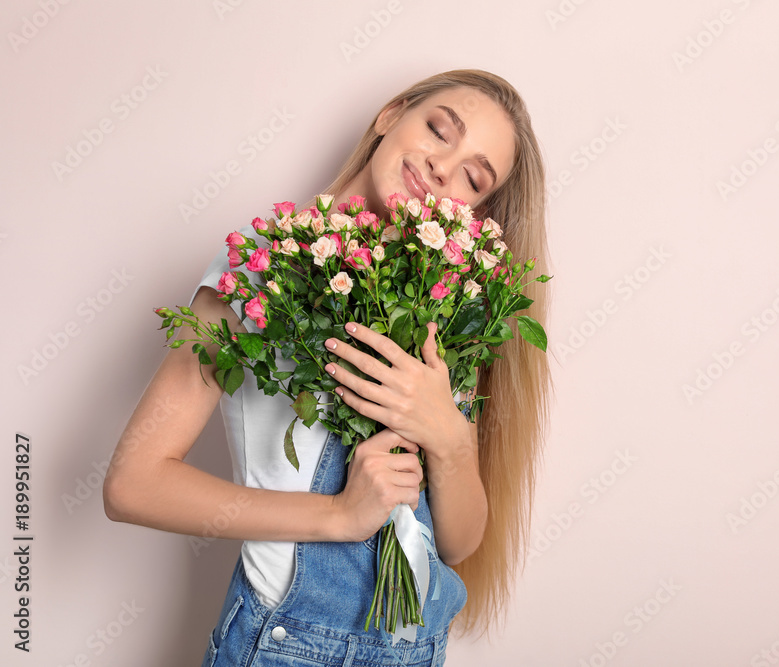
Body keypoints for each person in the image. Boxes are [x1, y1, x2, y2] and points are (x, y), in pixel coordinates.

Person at [103, 68, 552, 666]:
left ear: (475, 211)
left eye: (473, 177)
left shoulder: (450, 310)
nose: (445, 167)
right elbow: (133, 483)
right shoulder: (259, 271)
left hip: (419, 650)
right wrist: (339, 515)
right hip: (291, 649)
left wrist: (449, 441)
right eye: (440, 130)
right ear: (391, 114)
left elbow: (459, 542)